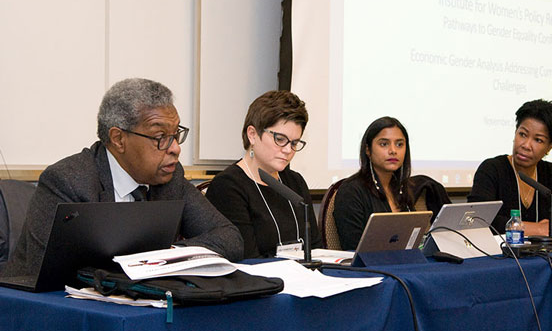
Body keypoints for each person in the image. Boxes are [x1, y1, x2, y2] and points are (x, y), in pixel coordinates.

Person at [3, 78, 244, 277]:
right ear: (119, 139)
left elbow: (229, 238)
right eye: (160, 136)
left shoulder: (169, 178)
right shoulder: (68, 181)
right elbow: (49, 271)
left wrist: (165, 255)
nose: (175, 149)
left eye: (176, 134)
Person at [206, 90, 321, 258]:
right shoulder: (227, 186)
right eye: (280, 139)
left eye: (294, 143)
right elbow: (246, 259)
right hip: (261, 281)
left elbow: (315, 247)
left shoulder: (295, 181)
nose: (288, 150)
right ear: (252, 135)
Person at [468, 99, 552, 235]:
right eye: (522, 134)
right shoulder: (492, 169)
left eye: (538, 140)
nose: (526, 145)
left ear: (550, 147)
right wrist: (542, 229)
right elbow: (477, 220)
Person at [333, 116, 449, 250]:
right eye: (384, 144)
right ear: (368, 150)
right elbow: (353, 247)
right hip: (370, 268)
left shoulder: (403, 188)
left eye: (399, 144)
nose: (393, 150)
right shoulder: (351, 191)